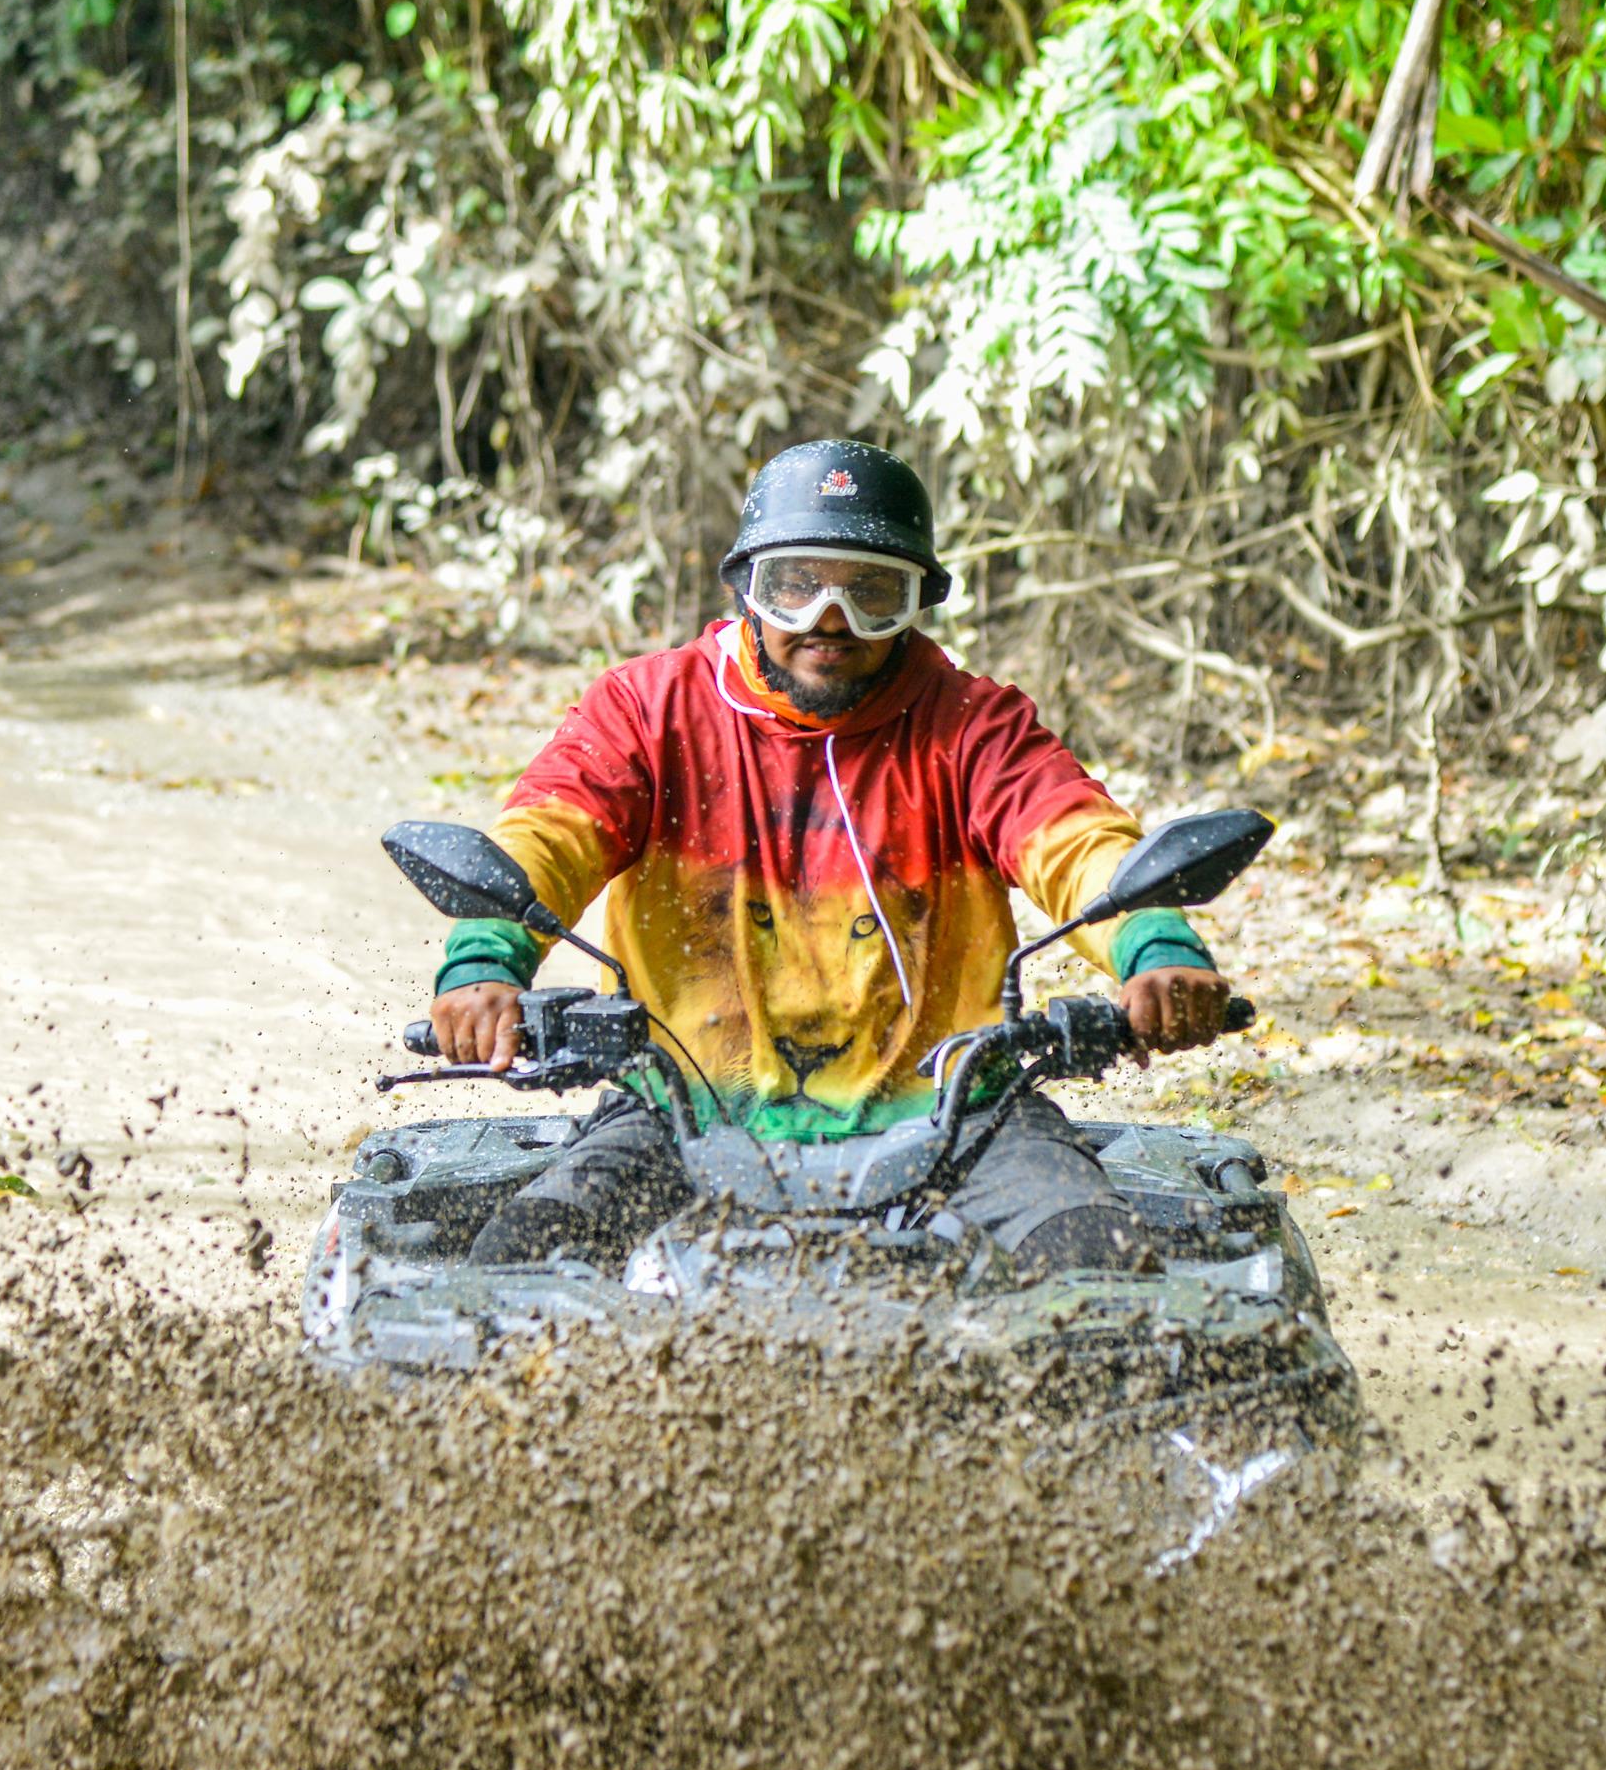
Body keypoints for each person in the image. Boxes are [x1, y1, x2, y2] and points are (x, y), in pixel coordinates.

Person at [426, 438, 1238, 1270]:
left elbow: (1077, 845)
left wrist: (1156, 949)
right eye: (796, 586)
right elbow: (546, 837)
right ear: (749, 587)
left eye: (871, 593)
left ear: (916, 603)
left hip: (958, 1110)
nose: (830, 622)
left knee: (1105, 1269)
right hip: (683, 1108)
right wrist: (484, 964)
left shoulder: (973, 723)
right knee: (516, 1266)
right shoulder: (647, 709)